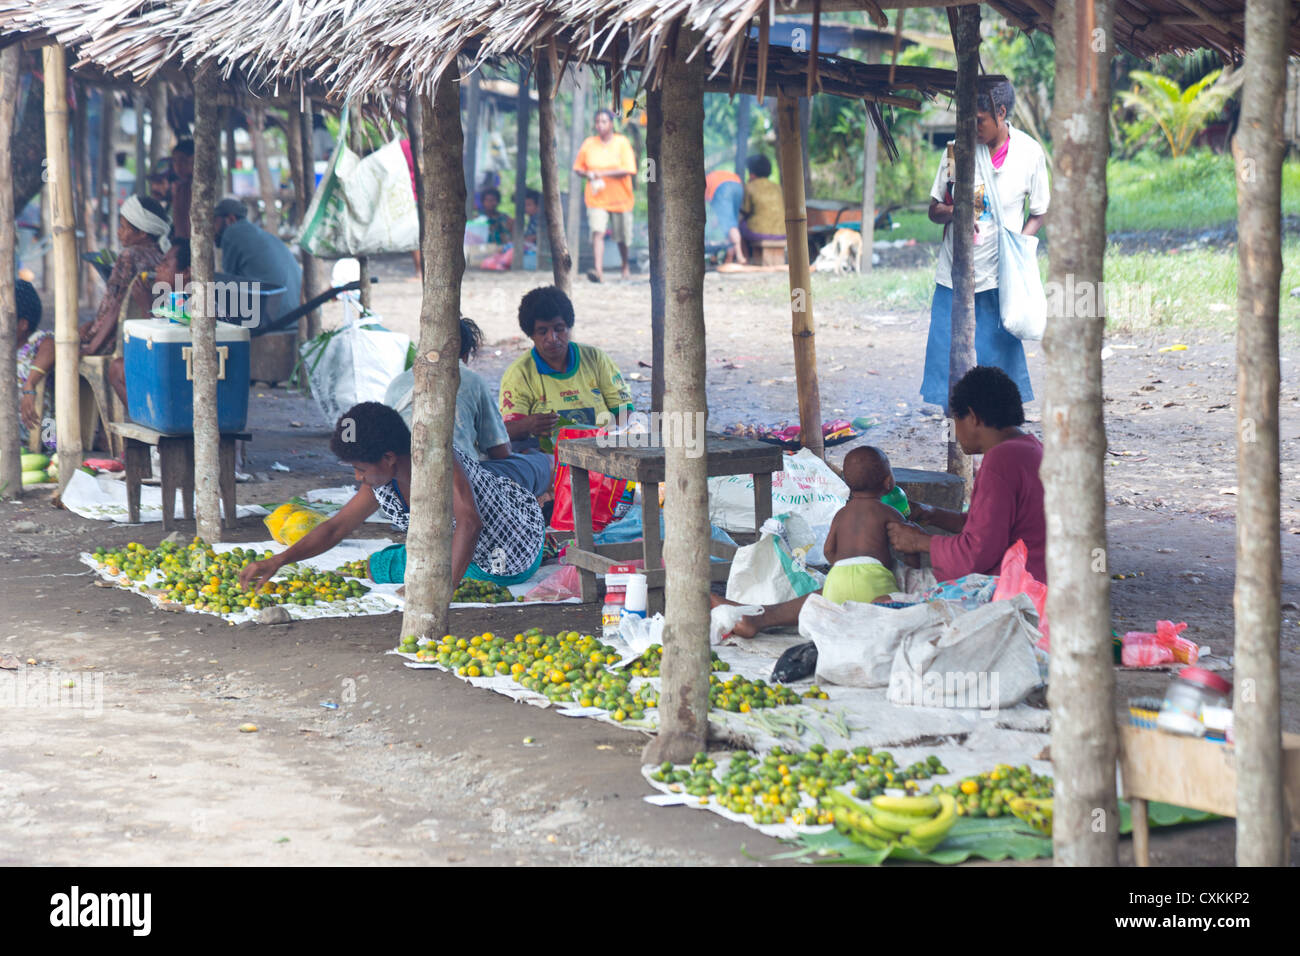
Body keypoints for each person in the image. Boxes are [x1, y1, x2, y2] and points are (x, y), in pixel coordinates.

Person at [239, 402, 546, 590]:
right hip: (464, 543)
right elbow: (336, 528)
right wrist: (279, 561)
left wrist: (441, 591)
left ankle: (538, 552)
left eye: (360, 469)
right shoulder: (384, 479)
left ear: (388, 457)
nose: (358, 478)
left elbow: (470, 524)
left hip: (509, 553)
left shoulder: (439, 462)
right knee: (379, 566)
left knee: (388, 567)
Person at [920, 77, 1049, 409]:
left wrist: (1019, 246)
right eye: (968, 121)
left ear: (1001, 113)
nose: (972, 128)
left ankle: (995, 435)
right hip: (954, 276)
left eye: (978, 121)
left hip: (998, 278)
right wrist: (955, 211)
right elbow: (934, 210)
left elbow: (1039, 211)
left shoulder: (1029, 153)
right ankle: (960, 438)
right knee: (950, 370)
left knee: (999, 370)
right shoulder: (955, 151)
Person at [709, 446, 917, 637]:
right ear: (888, 481)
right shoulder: (890, 513)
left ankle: (752, 616)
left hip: (837, 582)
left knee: (829, 599)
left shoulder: (840, 514)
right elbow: (908, 548)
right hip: (875, 587)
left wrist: (844, 567)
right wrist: (911, 561)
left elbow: (829, 550)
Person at [887, 366, 1046, 582]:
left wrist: (919, 541)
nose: (954, 432)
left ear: (973, 417)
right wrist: (932, 513)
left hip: (1019, 588)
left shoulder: (1000, 462)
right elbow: (991, 527)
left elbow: (976, 553)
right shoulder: (1032, 449)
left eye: (954, 421)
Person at [385, 317, 553, 496]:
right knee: (546, 463)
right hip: (458, 489)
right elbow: (501, 452)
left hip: (403, 488)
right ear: (465, 355)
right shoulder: (470, 380)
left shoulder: (396, 384)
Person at [498, 286, 633, 446]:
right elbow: (505, 432)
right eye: (542, 332)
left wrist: (614, 434)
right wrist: (528, 425)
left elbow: (624, 410)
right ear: (531, 334)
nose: (552, 338)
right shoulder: (519, 374)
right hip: (548, 460)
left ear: (568, 327)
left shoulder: (596, 359)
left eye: (559, 329)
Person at [80, 195, 169, 358]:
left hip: (113, 338)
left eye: (123, 227)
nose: (118, 232)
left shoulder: (129, 256)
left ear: (142, 233)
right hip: (137, 332)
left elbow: (116, 306)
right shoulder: (162, 256)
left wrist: (92, 346)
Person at [110, 239, 191, 406]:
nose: (157, 269)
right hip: (178, 371)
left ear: (185, 273)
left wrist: (147, 306)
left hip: (180, 375)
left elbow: (166, 347)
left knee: (117, 369)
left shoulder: (184, 300)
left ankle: (148, 417)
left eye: (165, 265)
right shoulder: (174, 298)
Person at [213, 197, 302, 328]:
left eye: (214, 222)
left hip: (274, 319)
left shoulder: (232, 232)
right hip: (295, 318)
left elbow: (228, 286)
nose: (212, 229)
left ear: (230, 219)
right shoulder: (258, 233)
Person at [573, 108, 636, 283]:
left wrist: (601, 174)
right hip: (597, 198)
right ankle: (598, 271)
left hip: (620, 198)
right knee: (597, 232)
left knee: (622, 237)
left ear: (611, 123)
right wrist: (589, 174)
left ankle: (625, 266)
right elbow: (578, 168)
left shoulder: (622, 143)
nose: (600, 125)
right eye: (597, 121)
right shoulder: (589, 144)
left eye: (604, 121)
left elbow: (628, 170)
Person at [15, 279, 55, 452]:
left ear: (23, 324)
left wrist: (29, 385)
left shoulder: (38, 341)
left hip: (38, 427)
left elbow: (51, 345)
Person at [738, 154, 785, 249]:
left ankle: (745, 258)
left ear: (751, 173)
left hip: (759, 233)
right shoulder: (778, 187)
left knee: (740, 225)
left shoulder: (750, 186)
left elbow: (745, 211)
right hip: (782, 232)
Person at [706, 168, 746, 264]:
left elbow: (704, 214)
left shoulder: (704, 183)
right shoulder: (712, 176)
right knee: (731, 222)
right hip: (738, 185)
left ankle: (740, 257)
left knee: (729, 225)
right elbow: (720, 216)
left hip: (722, 187)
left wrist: (709, 231)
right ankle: (729, 257)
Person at [169, 139, 194, 241]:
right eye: (175, 161)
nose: (178, 165)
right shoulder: (179, 187)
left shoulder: (196, 188)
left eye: (183, 160)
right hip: (181, 241)